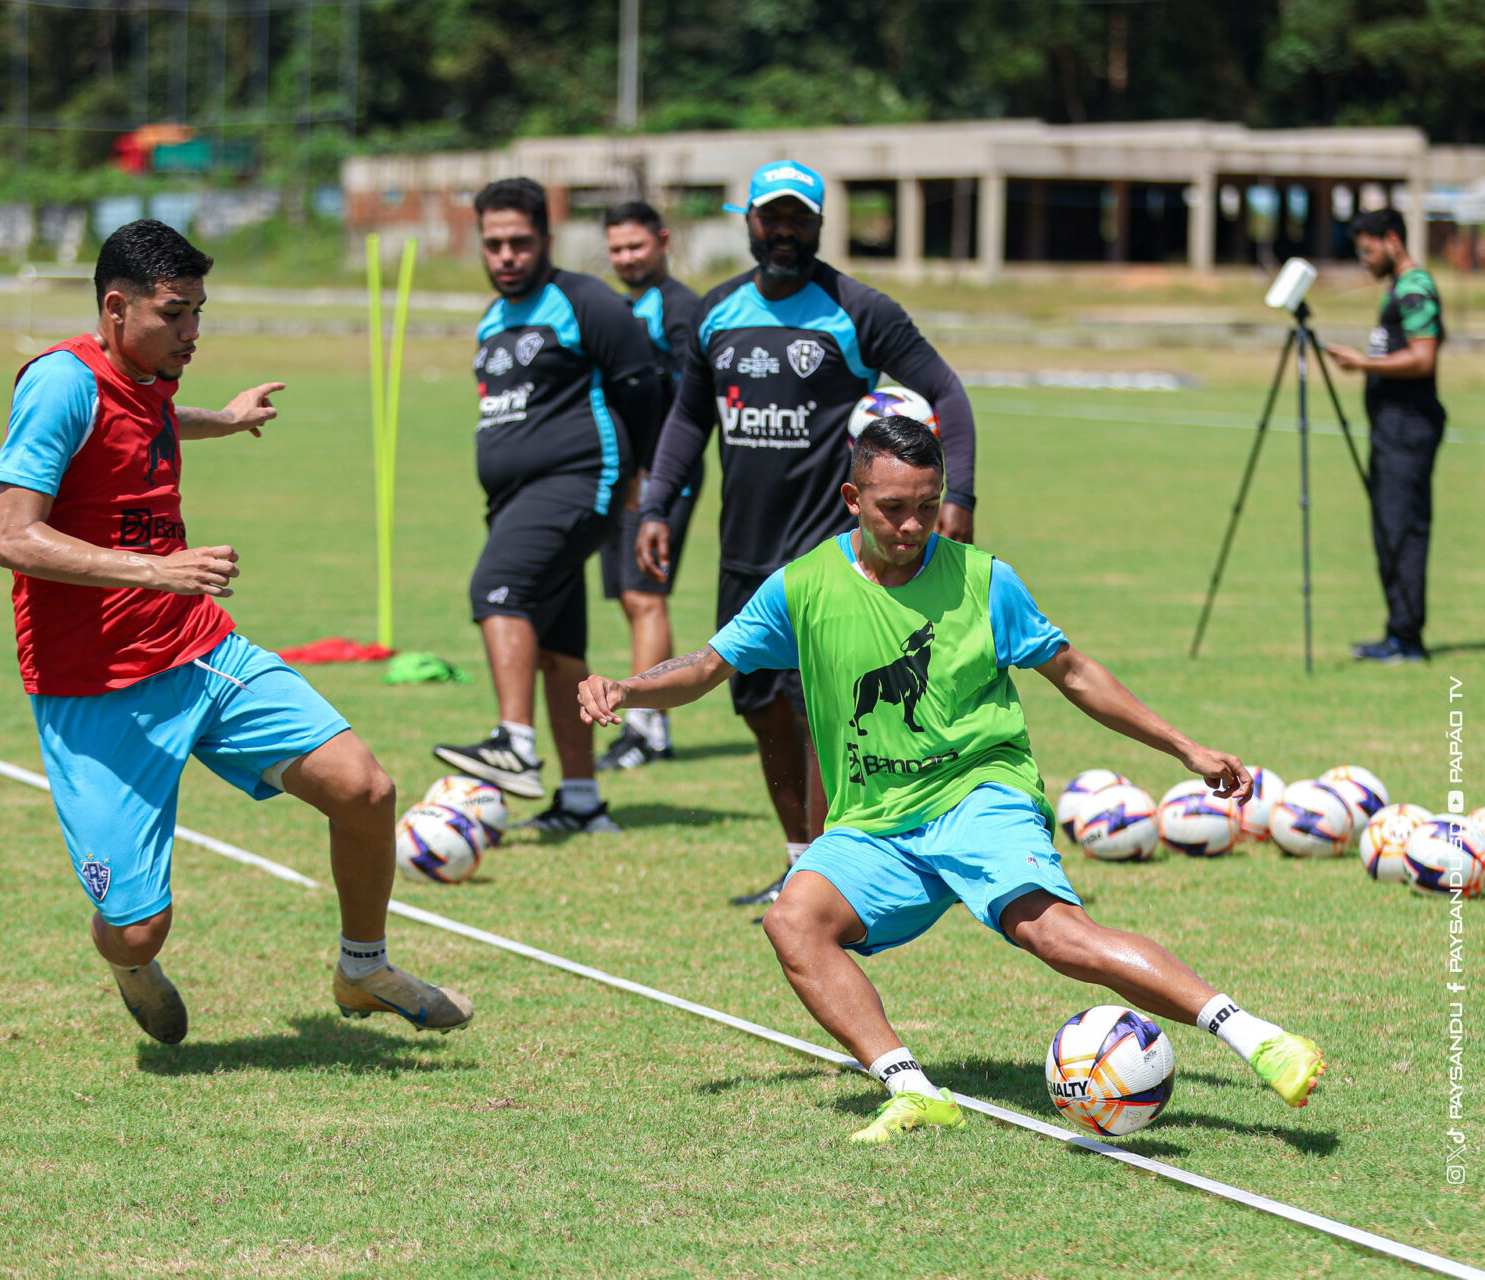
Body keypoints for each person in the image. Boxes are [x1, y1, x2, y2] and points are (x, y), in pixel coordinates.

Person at [583, 416, 1325, 1142]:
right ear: (852, 500)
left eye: (927, 506)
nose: (912, 526)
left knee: (1058, 938)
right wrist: (627, 688)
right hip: (873, 821)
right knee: (793, 921)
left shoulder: (984, 580)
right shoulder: (802, 587)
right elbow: (707, 669)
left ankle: (1261, 1041)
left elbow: (1071, 671)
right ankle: (913, 1091)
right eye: (893, 509)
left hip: (979, 793)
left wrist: (1184, 748)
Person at [0, 219, 472, 1045]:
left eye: (199, 313)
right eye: (176, 314)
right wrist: (158, 570)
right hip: (95, 689)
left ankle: (363, 967)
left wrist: (226, 418)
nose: (193, 333)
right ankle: (130, 966)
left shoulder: (146, 375)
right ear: (116, 307)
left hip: (199, 648)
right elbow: (13, 537)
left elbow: (142, 433)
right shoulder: (60, 386)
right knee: (140, 928)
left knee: (365, 790)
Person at [637, 159, 978, 910]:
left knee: (816, 705)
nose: (784, 229)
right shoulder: (718, 310)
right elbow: (690, 416)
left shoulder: (858, 309)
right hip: (742, 546)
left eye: (798, 217)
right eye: (772, 216)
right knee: (755, 700)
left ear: (819, 223)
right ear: (750, 221)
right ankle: (798, 859)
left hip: (828, 545)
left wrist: (962, 492)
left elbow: (945, 390)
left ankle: (830, 872)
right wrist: (657, 503)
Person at [433, 178, 667, 832]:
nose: (506, 255)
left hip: (577, 481)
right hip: (513, 499)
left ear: (547, 240)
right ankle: (584, 804)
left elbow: (641, 388)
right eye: (494, 243)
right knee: (559, 648)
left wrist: (638, 476)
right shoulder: (491, 319)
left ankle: (515, 744)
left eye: (519, 242)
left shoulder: (584, 300)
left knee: (495, 590)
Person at [595, 200, 703, 772]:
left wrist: (656, 474)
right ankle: (652, 720)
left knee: (645, 594)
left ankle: (644, 727)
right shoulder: (626, 305)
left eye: (636, 246)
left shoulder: (680, 308)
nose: (626, 258)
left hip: (661, 477)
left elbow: (689, 403)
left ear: (662, 241)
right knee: (633, 597)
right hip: (624, 474)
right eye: (616, 249)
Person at [1325, 208, 1446, 664]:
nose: (1364, 260)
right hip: (1392, 429)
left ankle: (1408, 640)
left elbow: (1422, 358)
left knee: (1403, 532)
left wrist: (1363, 364)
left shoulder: (1415, 287)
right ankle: (1398, 632)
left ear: (1392, 240)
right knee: (1389, 531)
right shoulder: (1399, 287)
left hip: (1408, 429)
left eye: (1368, 250)